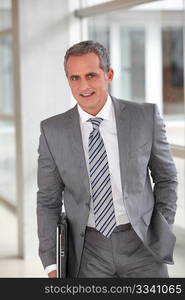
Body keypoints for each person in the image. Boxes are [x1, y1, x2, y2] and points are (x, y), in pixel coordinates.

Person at [37, 40, 178, 278]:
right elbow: (48, 200)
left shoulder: (145, 117)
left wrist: (160, 228)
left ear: (109, 74)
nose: (84, 86)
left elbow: (166, 179)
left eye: (91, 75)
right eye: (75, 78)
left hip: (142, 245)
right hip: (87, 250)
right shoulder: (53, 130)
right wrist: (51, 262)